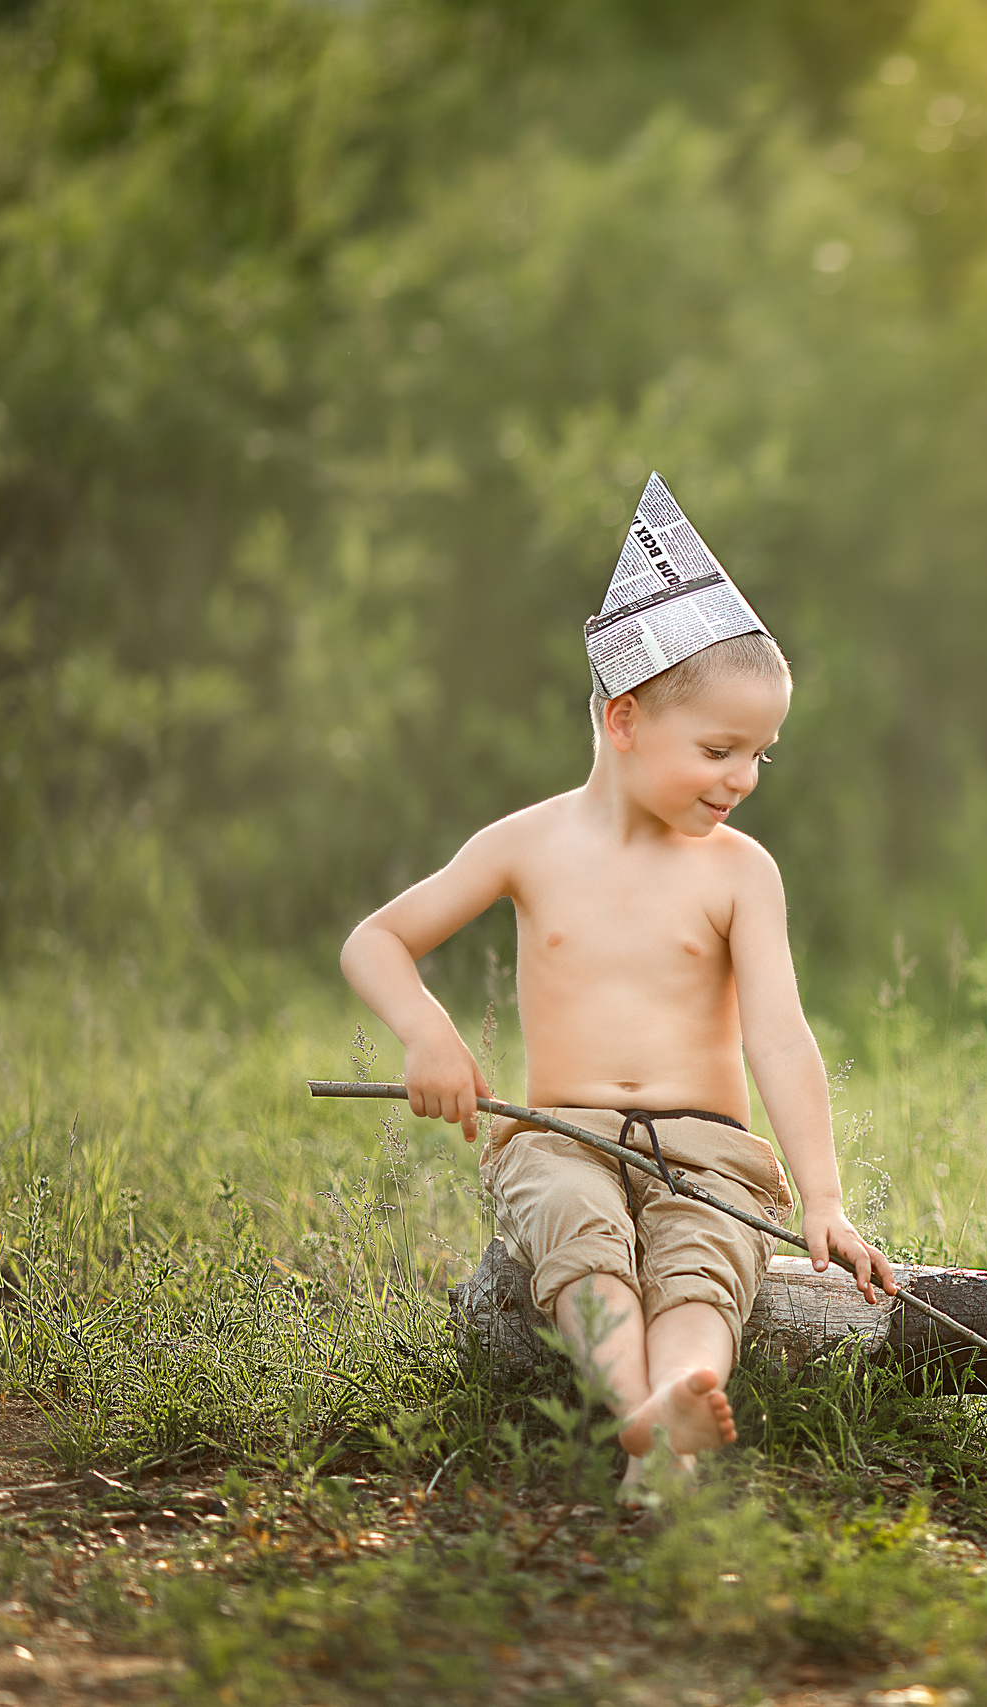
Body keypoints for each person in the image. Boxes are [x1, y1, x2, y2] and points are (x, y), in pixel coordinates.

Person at [341, 473, 894, 1489]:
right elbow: (376, 940)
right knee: (577, 1233)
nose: (742, 778)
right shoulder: (530, 845)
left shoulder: (740, 872)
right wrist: (426, 1032)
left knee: (704, 1262)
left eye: (762, 754)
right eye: (720, 749)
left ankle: (677, 1403)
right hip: (564, 1132)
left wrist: (822, 1198)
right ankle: (635, 1404)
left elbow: (779, 1035)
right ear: (626, 718)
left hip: (709, 1148)